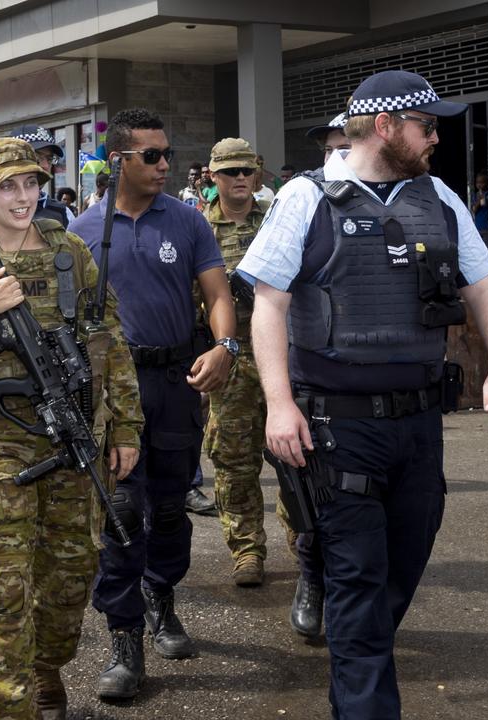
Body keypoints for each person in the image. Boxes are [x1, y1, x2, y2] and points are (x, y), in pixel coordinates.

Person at [238, 70, 488, 718]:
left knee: (394, 579)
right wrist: (279, 404)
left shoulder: (438, 196)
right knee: (360, 587)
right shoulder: (305, 198)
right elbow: (268, 303)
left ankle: (356, 666)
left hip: (420, 429)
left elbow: (484, 287)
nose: (436, 137)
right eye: (427, 125)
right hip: (339, 431)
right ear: (389, 126)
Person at [0, 137, 143, 720]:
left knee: (70, 583)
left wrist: (124, 429)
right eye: (7, 187)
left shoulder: (72, 254)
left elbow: (110, 342)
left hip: (72, 438)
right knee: (5, 592)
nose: (22, 197)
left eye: (31, 184)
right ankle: (11, 703)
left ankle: (46, 670)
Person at [68, 108, 236, 700]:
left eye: (167, 154)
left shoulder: (189, 222)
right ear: (118, 161)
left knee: (168, 511)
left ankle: (161, 596)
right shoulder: (84, 233)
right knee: (122, 515)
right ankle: (124, 638)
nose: (166, 165)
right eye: (152, 156)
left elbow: (217, 294)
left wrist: (225, 346)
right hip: (112, 395)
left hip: (174, 385)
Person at [283, 110, 353, 641]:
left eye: (345, 145)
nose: (336, 157)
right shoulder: (301, 200)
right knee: (312, 493)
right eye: (330, 147)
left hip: (374, 382)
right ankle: (311, 581)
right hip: (311, 374)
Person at [199, 138, 272, 588]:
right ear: (213, 177)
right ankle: (247, 549)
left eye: (246, 170)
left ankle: (305, 542)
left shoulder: (279, 221)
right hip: (232, 359)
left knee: (298, 457)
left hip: (281, 355)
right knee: (234, 460)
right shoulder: (198, 231)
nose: (239, 178)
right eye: (229, 172)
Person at [472, 172, 488, 241]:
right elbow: (474, 209)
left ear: (487, 183)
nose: (479, 185)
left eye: (482, 183)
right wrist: (479, 200)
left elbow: (484, 204)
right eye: (477, 183)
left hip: (487, 227)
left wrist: (482, 197)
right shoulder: (475, 196)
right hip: (478, 226)